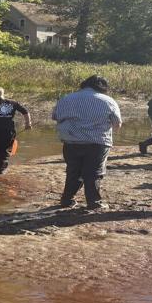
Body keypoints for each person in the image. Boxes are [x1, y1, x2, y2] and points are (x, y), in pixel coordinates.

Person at [50, 75, 122, 210]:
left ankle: (66, 200)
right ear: (103, 87)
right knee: (93, 172)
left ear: (84, 84)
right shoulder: (108, 100)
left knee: (73, 171)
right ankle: (94, 202)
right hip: (97, 142)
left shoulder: (66, 98)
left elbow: (55, 117)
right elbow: (117, 124)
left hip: (70, 140)